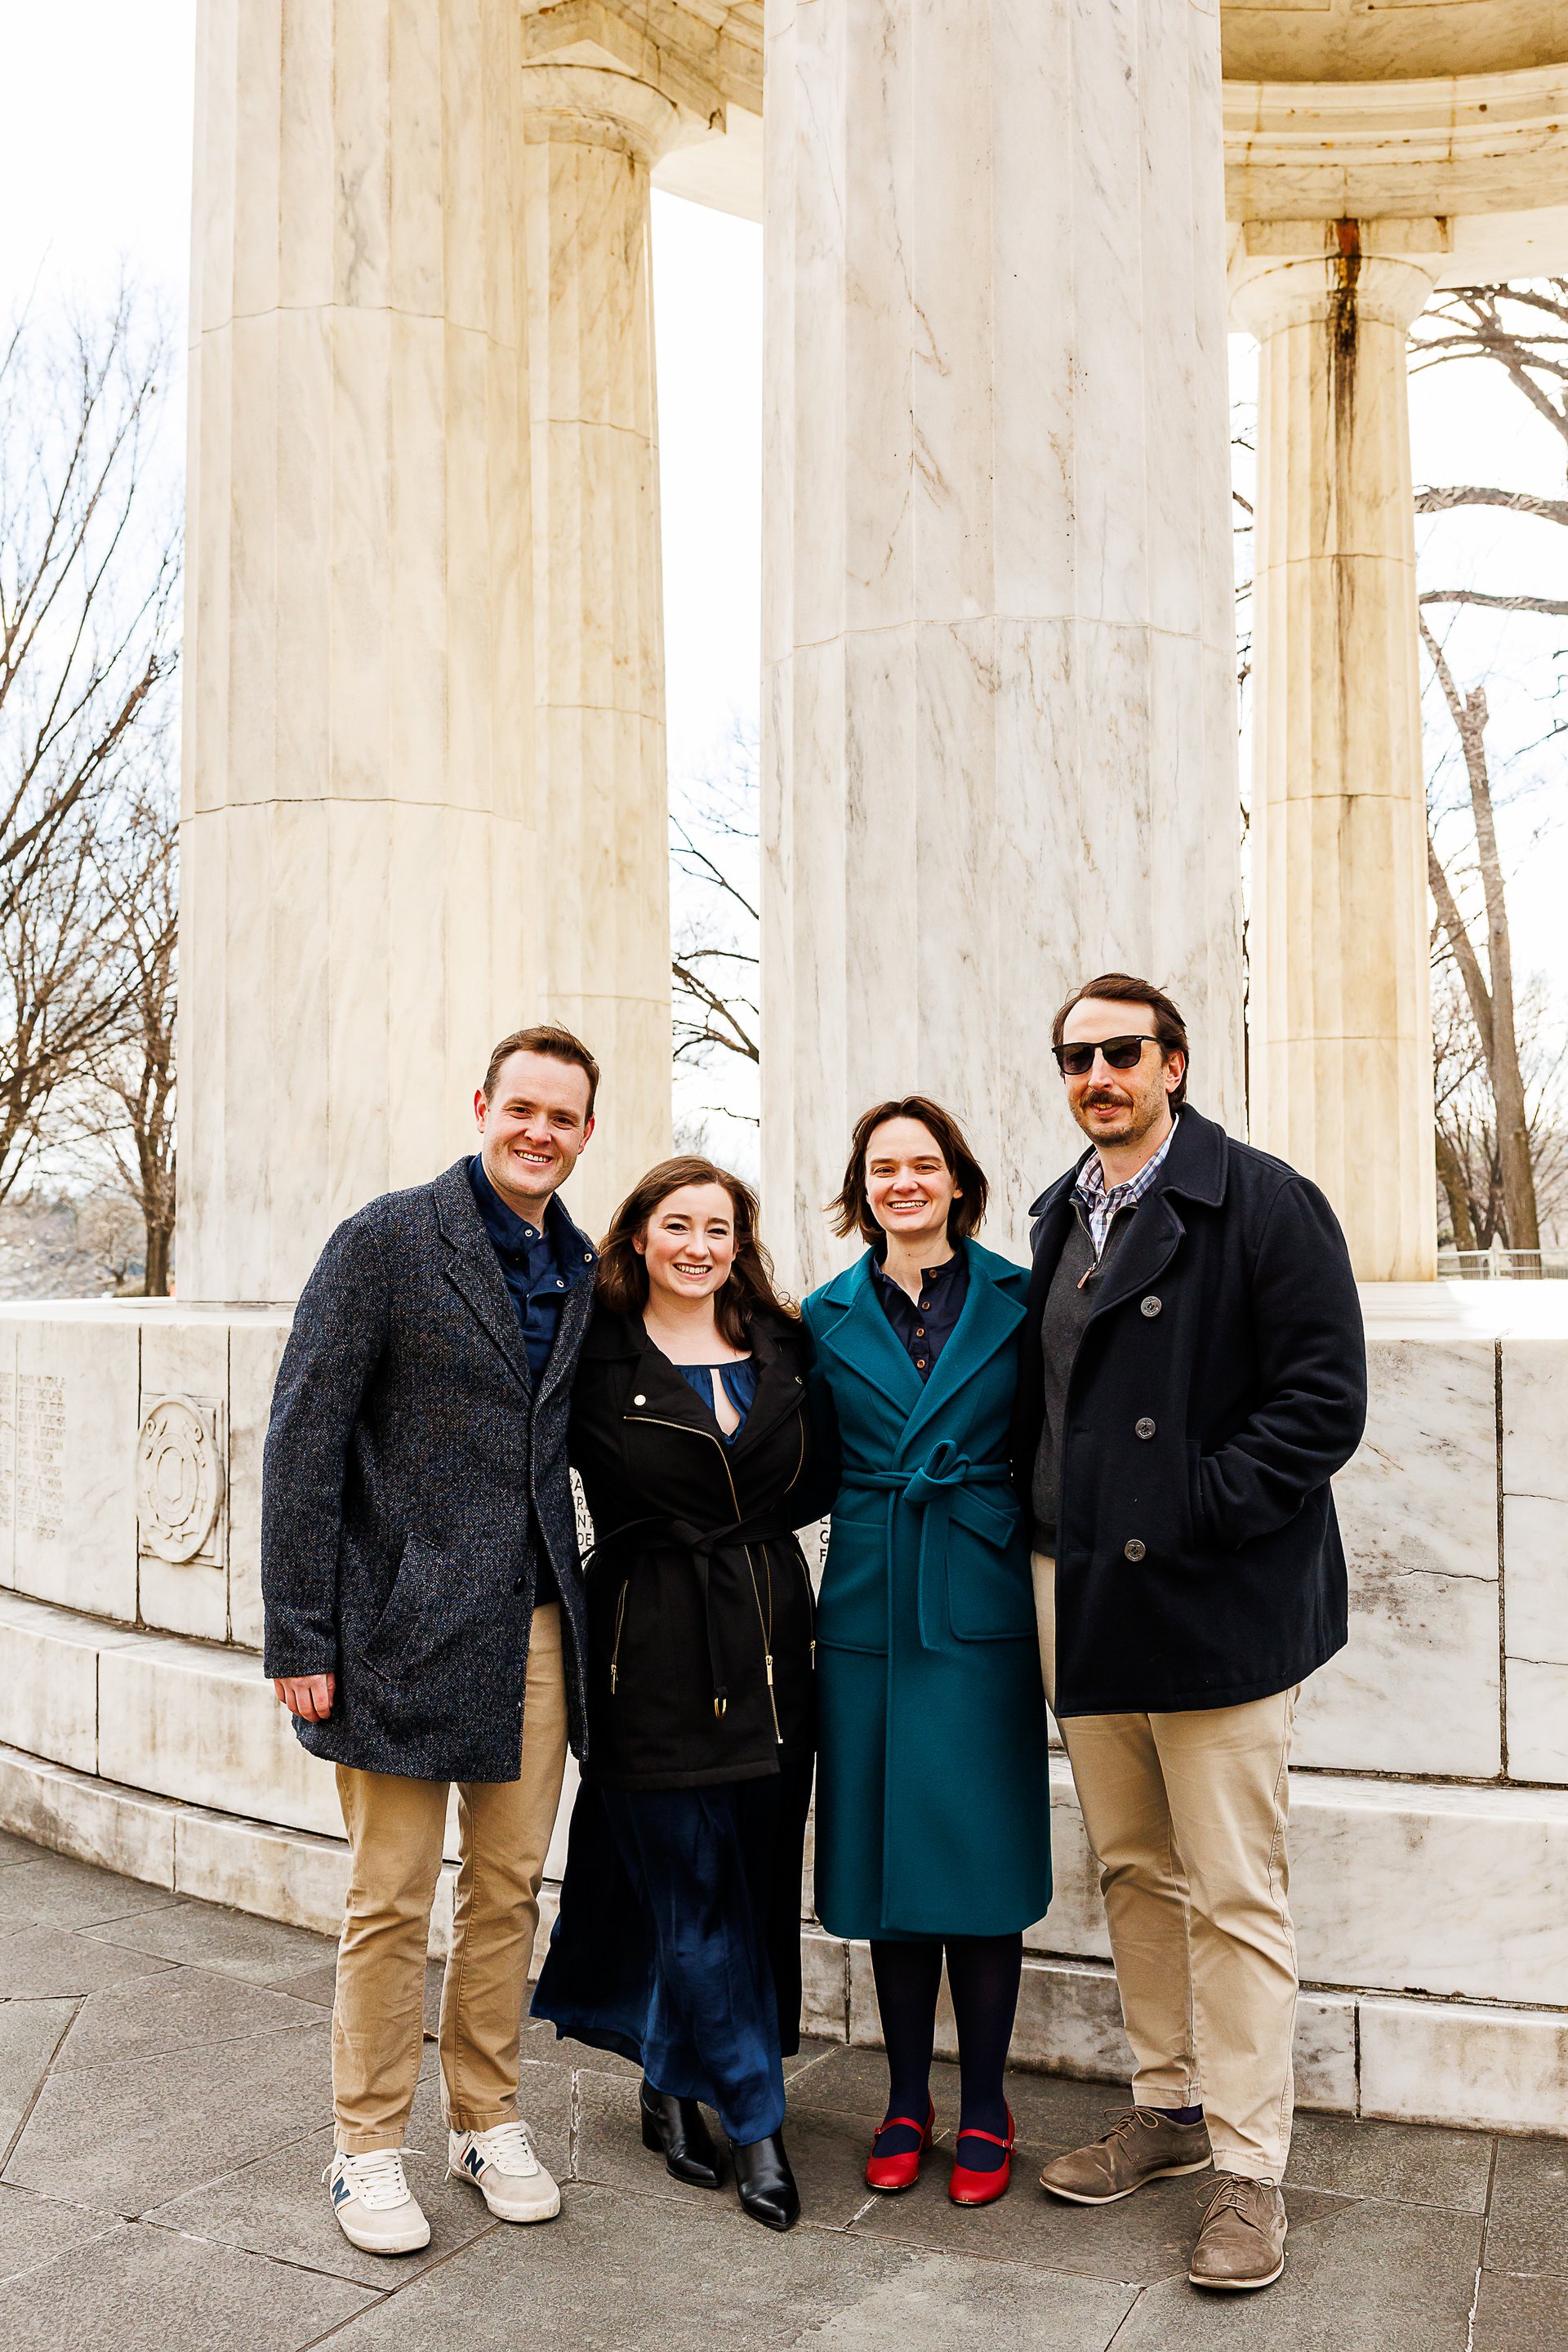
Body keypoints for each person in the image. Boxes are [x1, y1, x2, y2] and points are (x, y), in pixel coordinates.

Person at [1015, 973, 1366, 2294]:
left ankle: (1251, 2168)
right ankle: (1166, 2107)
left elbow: (1323, 1400)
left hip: (1214, 1595)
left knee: (1233, 1888)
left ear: (1173, 1063)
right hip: (1082, 1592)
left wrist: (1197, 1508)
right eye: (1075, 1058)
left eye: (1122, 1052)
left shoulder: (1264, 1200)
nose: (1096, 1076)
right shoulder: (1059, 1215)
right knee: (1131, 1868)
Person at [261, 1024, 603, 2256]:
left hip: (537, 1626)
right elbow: (303, 1436)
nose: (538, 1133)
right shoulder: (387, 1240)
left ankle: (484, 2118)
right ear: (482, 1107)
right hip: (396, 1628)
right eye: (523, 1109)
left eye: (562, 1117)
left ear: (585, 1134)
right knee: (391, 1898)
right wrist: (299, 1634)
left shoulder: (583, 1266)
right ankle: (364, 2147)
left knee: (508, 1890)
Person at [532, 1157, 823, 2233]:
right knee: (691, 1884)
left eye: (720, 1228)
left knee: (752, 1880)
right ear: (639, 1238)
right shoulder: (591, 1350)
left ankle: (668, 2075)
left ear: (741, 1245)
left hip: (770, 1641)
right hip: (645, 1643)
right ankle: (756, 2119)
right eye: (678, 1225)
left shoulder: (785, 1345)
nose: (700, 1246)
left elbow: (824, 1477)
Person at [802, 1098, 1052, 2208]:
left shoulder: (1022, 1298)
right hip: (867, 1599)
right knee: (885, 1863)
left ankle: (987, 2103)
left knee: (980, 1861)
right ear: (863, 1190)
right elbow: (799, 1461)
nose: (902, 1182)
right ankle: (907, 2100)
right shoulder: (820, 1315)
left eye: (922, 1164)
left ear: (958, 1180)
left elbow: (1052, 1446)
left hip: (980, 1593)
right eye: (881, 1168)